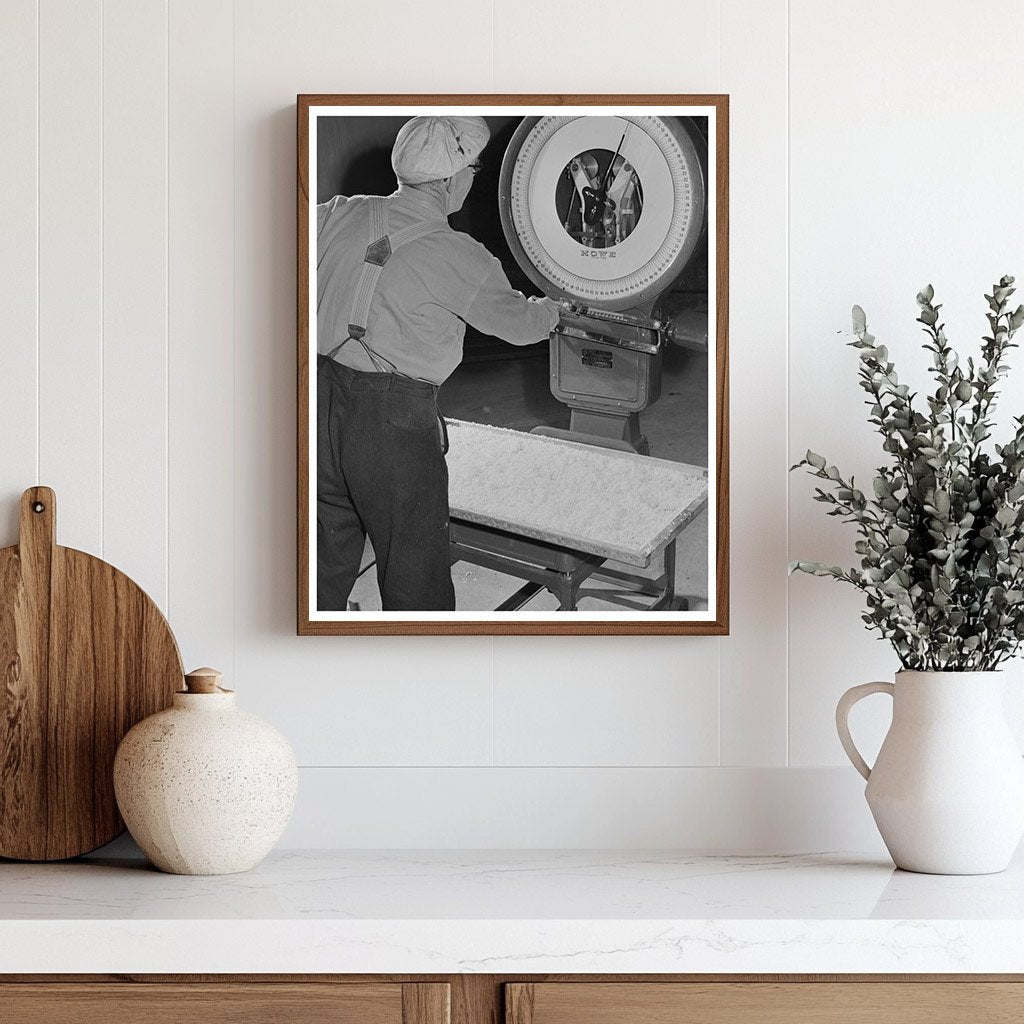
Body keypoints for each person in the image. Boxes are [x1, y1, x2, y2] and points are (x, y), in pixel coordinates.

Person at [316, 116, 560, 611]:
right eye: (473, 169)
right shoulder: (459, 255)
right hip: (391, 424)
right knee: (414, 567)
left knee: (320, 555)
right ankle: (427, 674)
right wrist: (552, 310)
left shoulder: (336, 212)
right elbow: (521, 326)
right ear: (453, 180)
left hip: (312, 405)